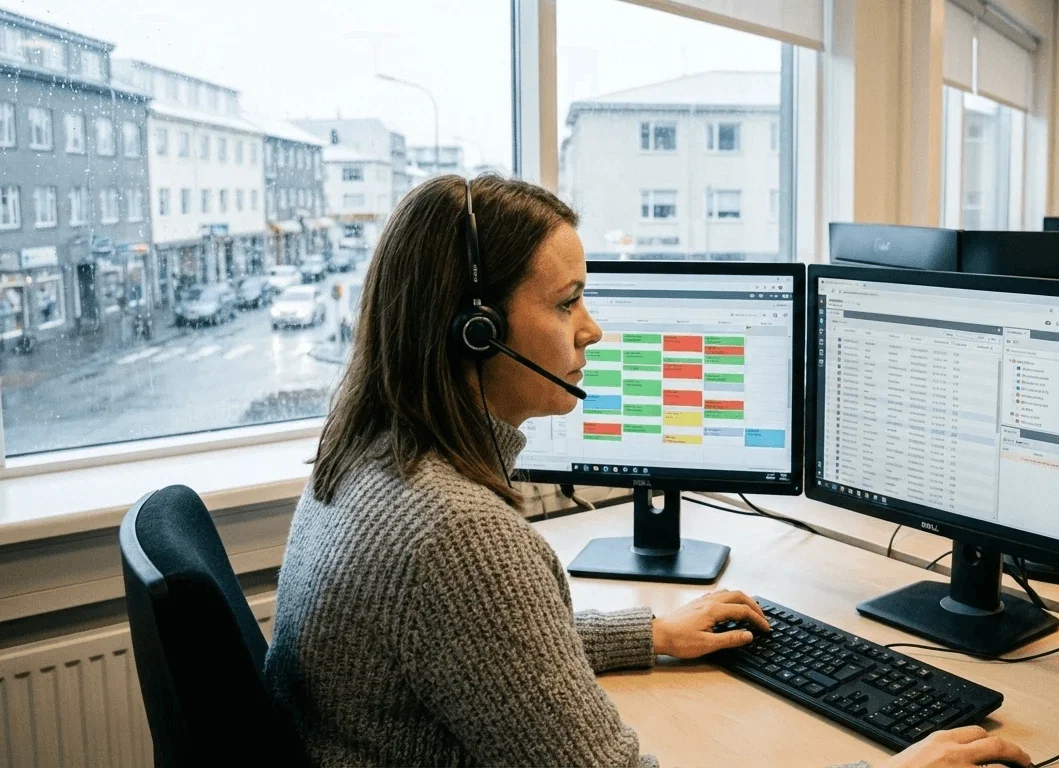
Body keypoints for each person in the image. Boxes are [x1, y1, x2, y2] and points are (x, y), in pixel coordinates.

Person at [264, 175, 1031, 768]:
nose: (591, 328)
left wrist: (650, 631)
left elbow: (475, 655)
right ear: (475, 331)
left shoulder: (367, 453)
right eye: (567, 304)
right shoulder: (457, 534)